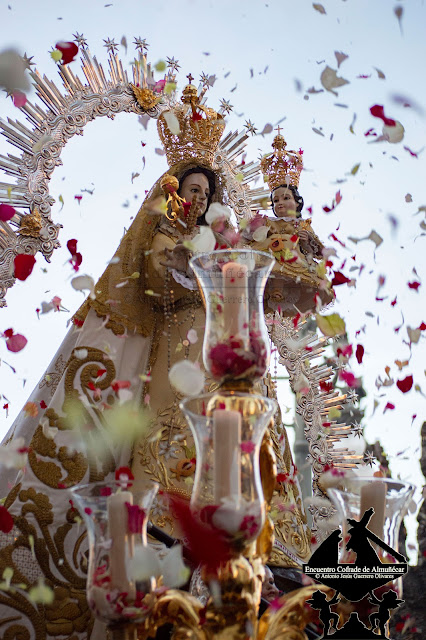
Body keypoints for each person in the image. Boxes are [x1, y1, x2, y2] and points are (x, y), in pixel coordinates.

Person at [0, 83, 311, 638]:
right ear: (174, 191)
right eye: (191, 188)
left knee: (229, 433)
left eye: (205, 192)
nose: (197, 198)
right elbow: (155, 277)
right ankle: (163, 531)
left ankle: (231, 542)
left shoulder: (217, 241)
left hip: (212, 350)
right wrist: (196, 267)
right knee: (172, 434)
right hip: (174, 350)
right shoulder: (164, 231)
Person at [248, 129, 334, 315]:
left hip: (294, 259)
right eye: (276, 200)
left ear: (297, 202)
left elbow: (315, 252)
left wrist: (306, 240)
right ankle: (268, 291)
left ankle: (279, 291)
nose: (279, 203)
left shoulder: (303, 224)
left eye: (286, 198)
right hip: (270, 255)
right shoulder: (269, 222)